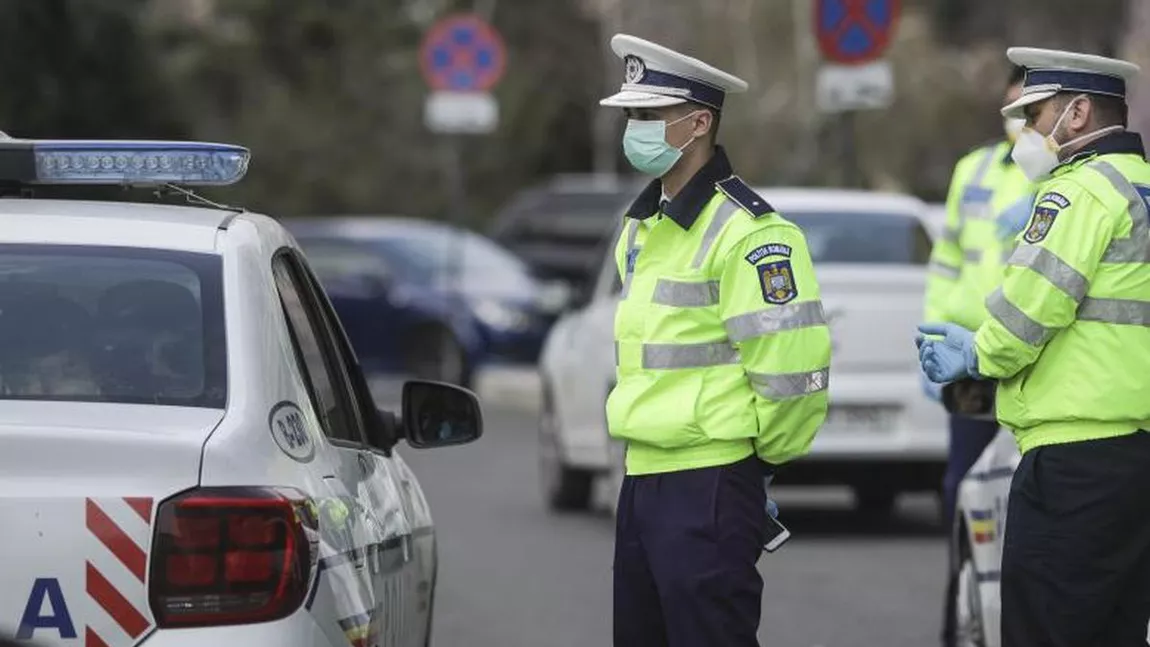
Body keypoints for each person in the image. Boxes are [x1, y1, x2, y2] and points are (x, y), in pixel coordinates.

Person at [599, 34, 831, 647]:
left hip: (709, 483)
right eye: (631, 115)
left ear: (698, 122)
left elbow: (792, 372)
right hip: (642, 477)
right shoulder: (642, 227)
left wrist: (755, 469)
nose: (634, 129)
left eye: (649, 115)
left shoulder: (752, 233)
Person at [917, 47, 1150, 647]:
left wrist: (976, 352)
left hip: (1074, 455)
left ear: (1076, 113)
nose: (1023, 130)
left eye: (1035, 113)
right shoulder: (1141, 186)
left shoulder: (1077, 191)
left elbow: (1027, 314)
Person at [923, 64, 1035, 647]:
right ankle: (961, 628)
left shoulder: (1059, 175)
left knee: (1024, 495)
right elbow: (946, 261)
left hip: (1030, 359)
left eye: (1030, 110)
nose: (1020, 123)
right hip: (971, 364)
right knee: (965, 495)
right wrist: (940, 335)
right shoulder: (975, 170)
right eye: (1012, 111)